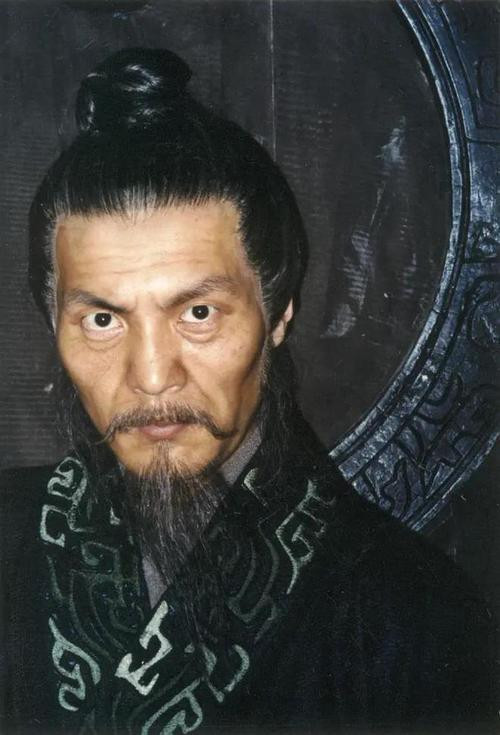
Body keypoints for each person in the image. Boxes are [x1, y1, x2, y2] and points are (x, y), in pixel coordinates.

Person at [0, 48, 496, 735]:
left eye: (198, 313)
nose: (152, 376)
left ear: (279, 311)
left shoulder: (414, 618)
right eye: (103, 320)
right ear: (53, 324)